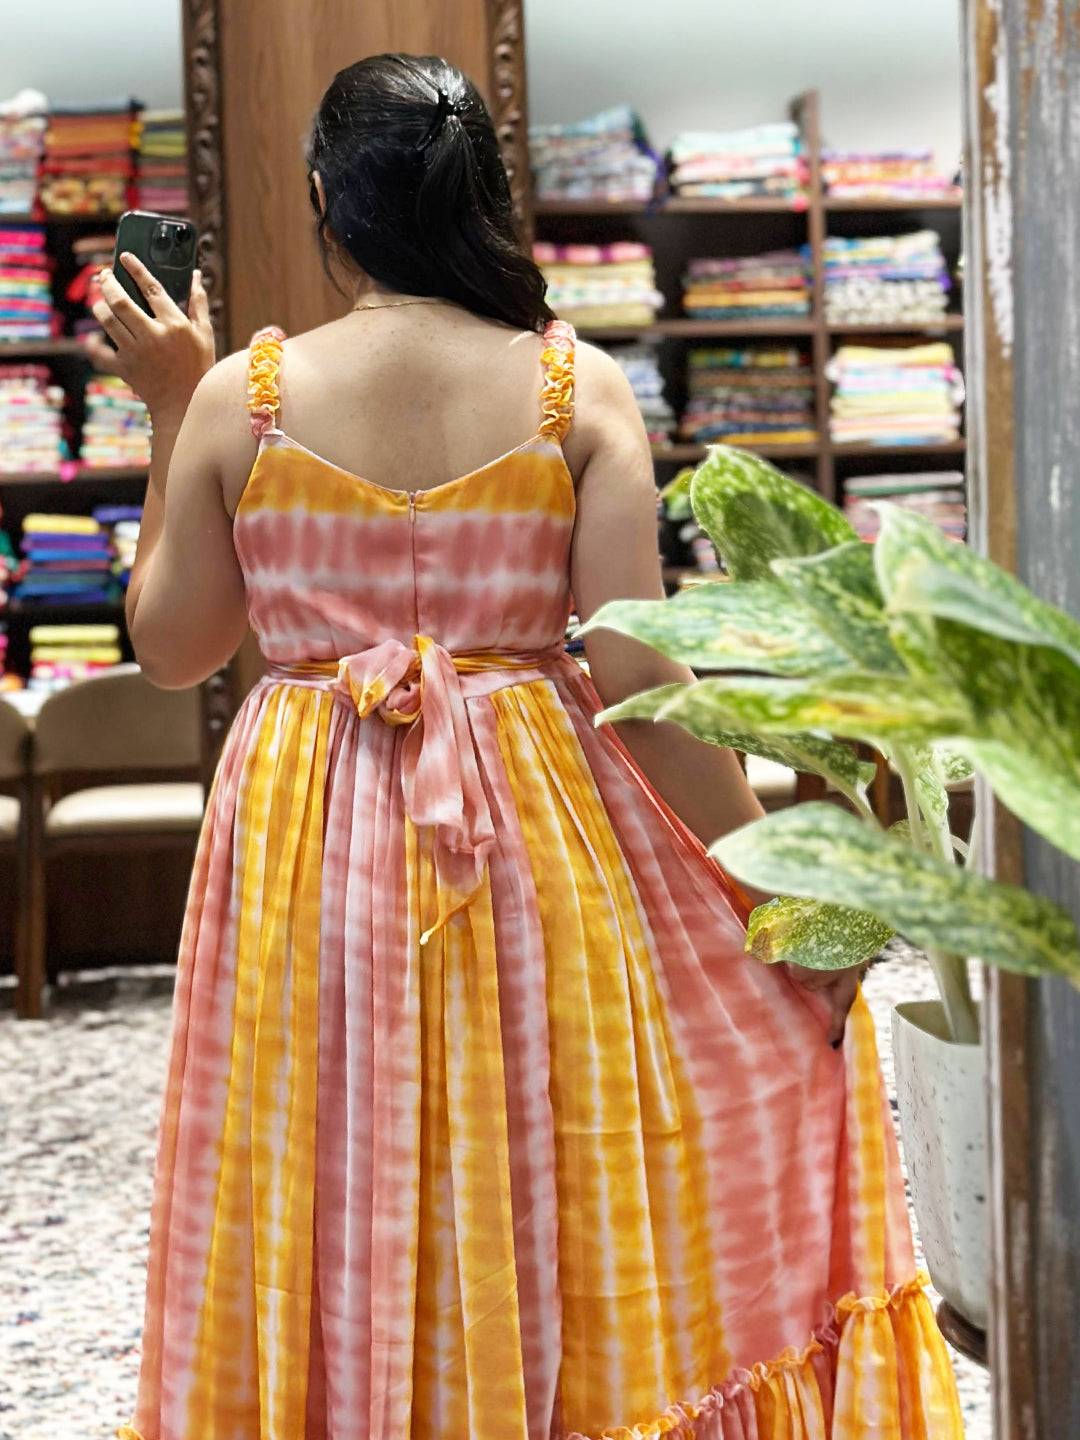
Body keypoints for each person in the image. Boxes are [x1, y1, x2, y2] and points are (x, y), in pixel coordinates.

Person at [92, 53, 962, 1440]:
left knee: (328, 1147)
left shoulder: (239, 401)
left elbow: (176, 647)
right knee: (550, 1132)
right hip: (538, 820)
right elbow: (640, 680)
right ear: (484, 200)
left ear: (326, 200)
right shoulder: (578, 390)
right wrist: (780, 898)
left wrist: (163, 402)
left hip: (306, 837)